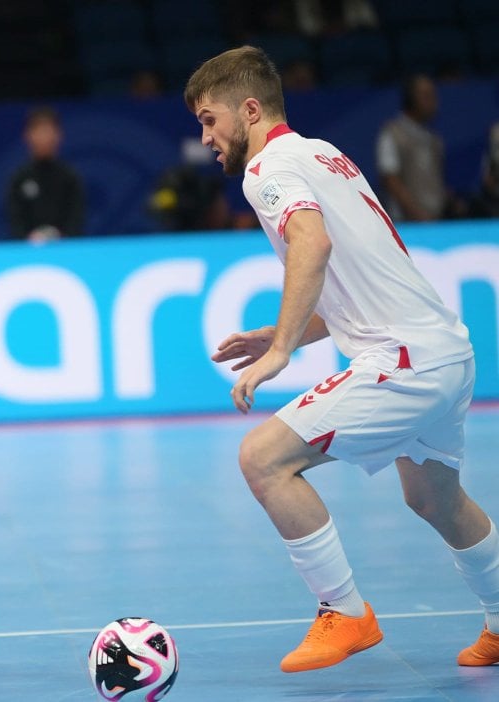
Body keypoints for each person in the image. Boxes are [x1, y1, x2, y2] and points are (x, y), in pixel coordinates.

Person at [184, 45, 499, 673]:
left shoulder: (267, 168)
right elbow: (358, 284)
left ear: (249, 111)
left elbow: (312, 243)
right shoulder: (322, 152)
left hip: (404, 362)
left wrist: (278, 353)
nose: (206, 137)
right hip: (443, 353)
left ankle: (346, 613)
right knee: (434, 497)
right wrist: (284, 331)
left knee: (263, 458)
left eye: (210, 119)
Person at [374, 74, 453, 222]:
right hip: (406, 224)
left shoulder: (433, 138)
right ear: (410, 99)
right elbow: (390, 179)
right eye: (426, 96)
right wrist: (417, 213)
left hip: (436, 220)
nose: (433, 102)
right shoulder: (392, 133)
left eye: (433, 95)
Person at [6, 106, 86, 242]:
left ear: (58, 135)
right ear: (28, 135)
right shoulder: (19, 179)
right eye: (38, 131)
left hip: (66, 252)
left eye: (47, 131)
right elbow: (16, 222)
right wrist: (29, 239)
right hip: (27, 254)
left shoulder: (70, 178)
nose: (44, 137)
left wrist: (61, 237)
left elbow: (76, 220)